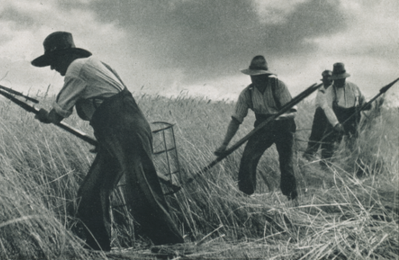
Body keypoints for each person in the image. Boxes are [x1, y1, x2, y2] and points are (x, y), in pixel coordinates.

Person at [31, 31, 184, 251]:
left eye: (53, 61)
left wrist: (45, 116)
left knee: (141, 191)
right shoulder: (94, 65)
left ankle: (174, 247)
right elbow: (102, 108)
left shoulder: (77, 68)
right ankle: (98, 251)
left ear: (65, 55)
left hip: (127, 132)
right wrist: (105, 139)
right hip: (116, 135)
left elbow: (58, 113)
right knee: (91, 193)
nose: (53, 68)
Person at [214, 56, 298, 201]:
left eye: (260, 76)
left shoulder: (278, 86)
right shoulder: (247, 93)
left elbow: (292, 111)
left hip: (283, 126)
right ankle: (247, 197)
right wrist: (225, 144)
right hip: (262, 127)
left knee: (286, 164)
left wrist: (278, 118)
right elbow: (236, 119)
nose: (256, 79)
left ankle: (291, 198)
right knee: (248, 158)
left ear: (266, 76)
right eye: (253, 76)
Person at [319, 62, 371, 167]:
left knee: (353, 146)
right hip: (337, 120)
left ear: (344, 77)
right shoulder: (330, 91)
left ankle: (352, 166)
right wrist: (336, 124)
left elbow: (363, 102)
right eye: (337, 79)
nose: (339, 81)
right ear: (334, 79)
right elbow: (327, 108)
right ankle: (325, 167)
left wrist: (366, 105)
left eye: (341, 78)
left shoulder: (354, 88)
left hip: (352, 121)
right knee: (328, 144)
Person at [302, 70, 333, 161]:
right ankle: (308, 158)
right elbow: (325, 107)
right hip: (321, 115)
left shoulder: (334, 89)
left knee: (328, 140)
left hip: (331, 115)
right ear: (323, 80)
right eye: (326, 78)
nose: (329, 80)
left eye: (330, 78)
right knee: (315, 137)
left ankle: (325, 162)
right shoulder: (321, 90)